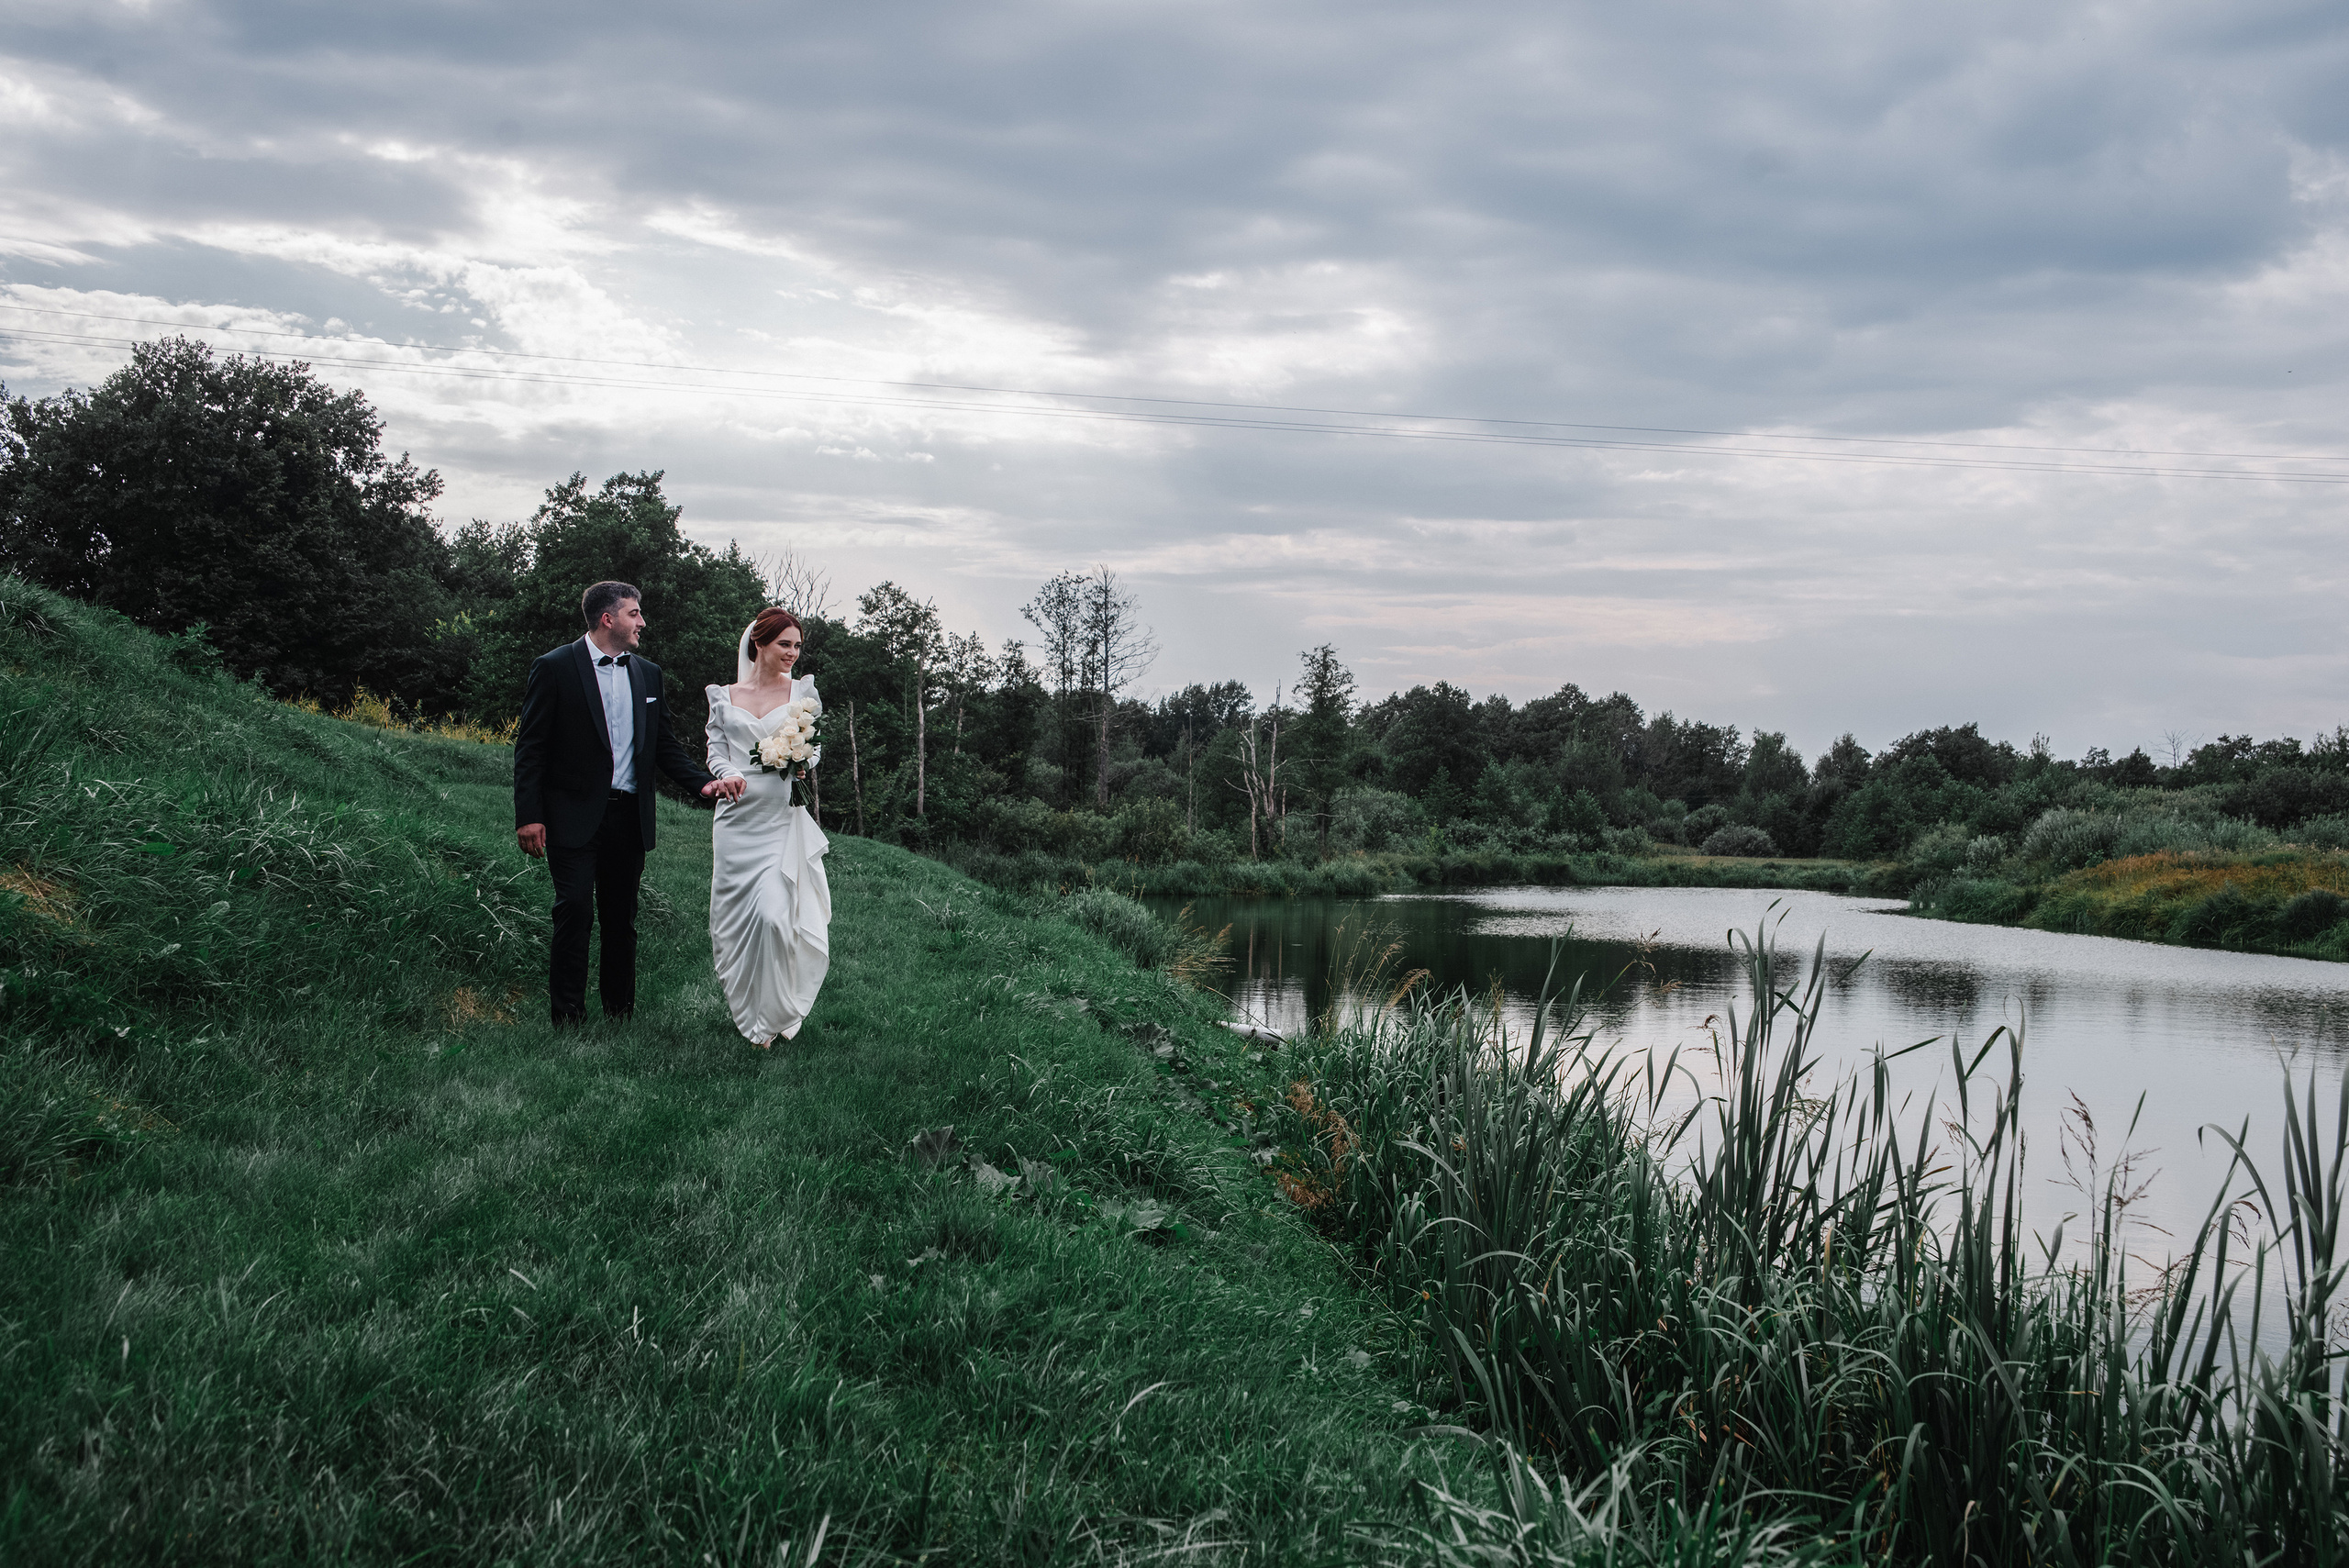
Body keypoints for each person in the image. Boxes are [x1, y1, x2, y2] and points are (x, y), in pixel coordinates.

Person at [513, 580, 745, 1027]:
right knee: (574, 910)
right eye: (634, 613)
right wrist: (529, 816)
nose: (642, 622)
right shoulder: (554, 667)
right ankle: (568, 1018)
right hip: (571, 816)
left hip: (629, 817)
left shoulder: (648, 674)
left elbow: (664, 746)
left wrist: (704, 785)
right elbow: (531, 748)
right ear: (608, 619)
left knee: (621, 919)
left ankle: (619, 1015)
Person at [702, 606, 832, 1046]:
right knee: (737, 920)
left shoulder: (802, 693)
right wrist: (727, 774)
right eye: (784, 644)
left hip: (780, 817)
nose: (792, 653)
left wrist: (803, 761)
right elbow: (716, 751)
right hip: (736, 821)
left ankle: (774, 1015)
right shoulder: (725, 696)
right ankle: (751, 1015)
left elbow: (813, 747)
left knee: (775, 918)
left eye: (797, 646)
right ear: (758, 643)